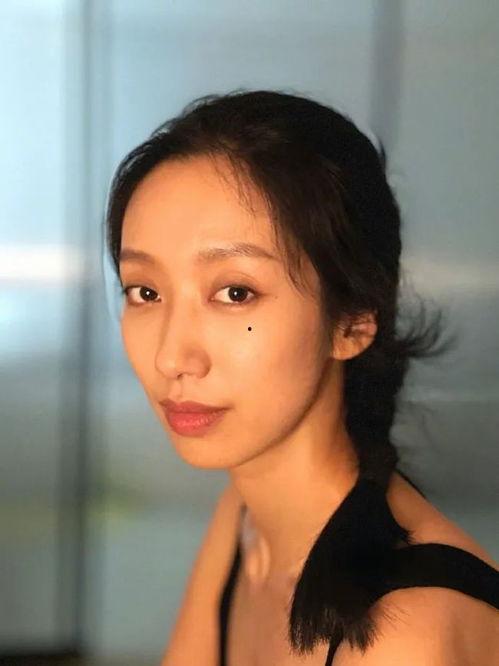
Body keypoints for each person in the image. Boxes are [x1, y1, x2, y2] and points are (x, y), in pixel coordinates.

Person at [104, 89, 499, 665]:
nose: (171, 357)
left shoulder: (403, 634)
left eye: (235, 293)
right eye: (145, 291)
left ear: (352, 321)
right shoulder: (246, 516)